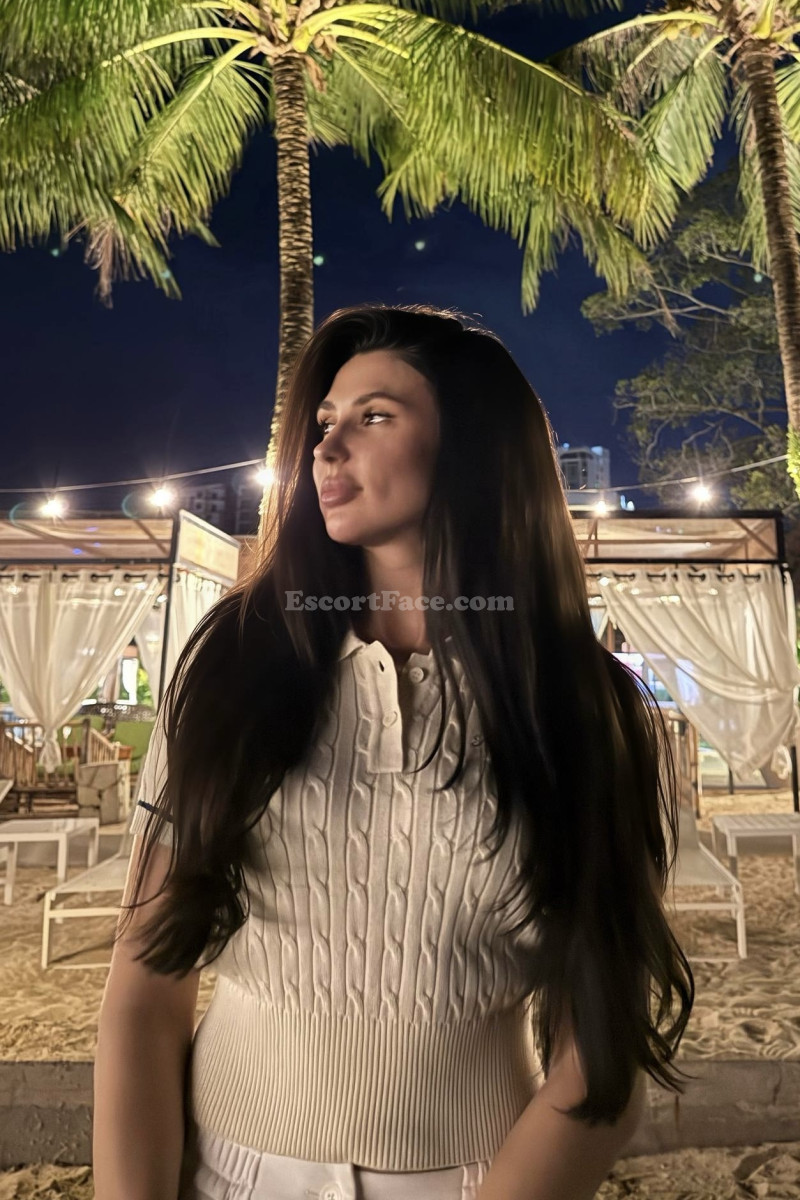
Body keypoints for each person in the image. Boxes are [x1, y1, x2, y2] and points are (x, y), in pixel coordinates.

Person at [93, 303, 694, 1200]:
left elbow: (599, 1049)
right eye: (324, 423)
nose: (327, 449)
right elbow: (144, 990)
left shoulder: (581, 706)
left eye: (374, 416)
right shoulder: (232, 666)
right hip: (225, 1177)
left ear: (475, 447)